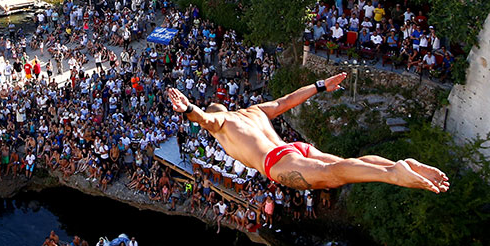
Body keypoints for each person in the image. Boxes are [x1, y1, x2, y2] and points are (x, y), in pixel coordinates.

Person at [167, 74, 449, 193]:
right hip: (293, 149)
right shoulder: (251, 111)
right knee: (340, 164)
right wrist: (320, 85)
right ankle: (395, 166)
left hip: (278, 163)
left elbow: (204, 119)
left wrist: (187, 108)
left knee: (335, 174)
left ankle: (394, 174)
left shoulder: (222, 124)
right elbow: (287, 101)